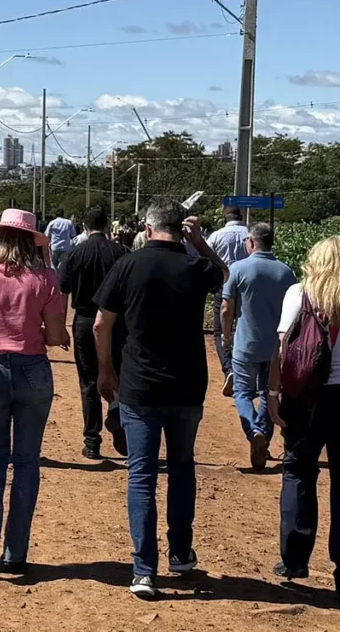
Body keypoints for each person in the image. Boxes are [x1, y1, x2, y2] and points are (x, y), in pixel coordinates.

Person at [95, 200, 228, 599]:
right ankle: (182, 552)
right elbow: (223, 273)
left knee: (142, 475)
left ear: (149, 229)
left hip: (140, 386)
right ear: (179, 229)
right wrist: (199, 241)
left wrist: (106, 369)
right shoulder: (195, 267)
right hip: (188, 386)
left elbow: (102, 323)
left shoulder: (129, 265)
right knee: (183, 468)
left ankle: (143, 569)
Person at [0, 209, 69, 572]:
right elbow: (53, 335)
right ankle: (15, 551)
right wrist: (58, 336)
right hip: (32, 368)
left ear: (0, 237)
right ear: (32, 241)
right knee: (26, 461)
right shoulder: (46, 278)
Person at [268, 237, 340, 606]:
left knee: (298, 471)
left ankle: (294, 560)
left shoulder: (299, 293)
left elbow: (284, 346)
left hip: (306, 396)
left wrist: (272, 395)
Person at [219, 222, 296, 472]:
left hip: (246, 343)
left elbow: (226, 307)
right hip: (275, 346)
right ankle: (263, 434)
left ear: (252, 242)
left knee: (242, 392)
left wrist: (226, 335)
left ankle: (253, 432)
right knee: (268, 392)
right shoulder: (286, 272)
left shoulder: (238, 268)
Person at [57, 206, 129, 460]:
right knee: (118, 371)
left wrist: (58, 327)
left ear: (84, 227)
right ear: (108, 225)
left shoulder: (74, 253)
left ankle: (91, 440)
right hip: (117, 320)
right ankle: (118, 410)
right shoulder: (121, 252)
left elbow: (62, 289)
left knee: (88, 380)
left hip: (85, 320)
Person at [206, 207, 249, 397]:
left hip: (224, 285)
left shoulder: (216, 236)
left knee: (220, 330)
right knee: (244, 327)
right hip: (247, 287)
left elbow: (205, 257)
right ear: (241, 217)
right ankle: (245, 371)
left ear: (225, 218)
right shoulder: (250, 234)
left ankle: (228, 368)